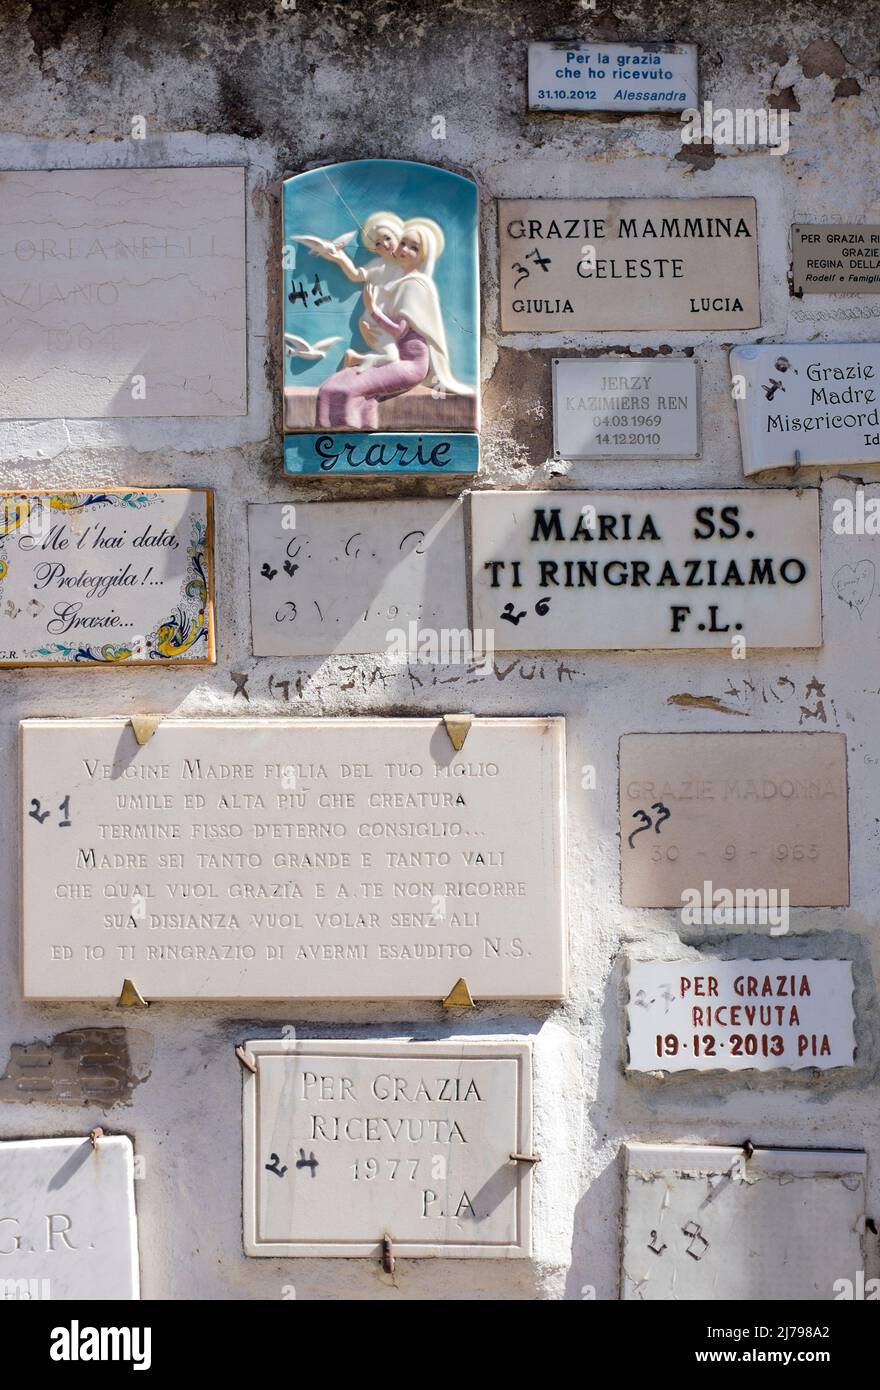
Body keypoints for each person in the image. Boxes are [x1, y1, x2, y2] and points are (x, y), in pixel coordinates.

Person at [315, 217, 474, 430]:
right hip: (399, 361)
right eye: (404, 243)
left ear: (423, 254)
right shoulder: (399, 280)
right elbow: (357, 275)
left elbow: (400, 331)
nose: (404, 249)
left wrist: (373, 310)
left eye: (413, 247)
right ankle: (357, 426)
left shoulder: (414, 285)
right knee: (333, 385)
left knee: (344, 388)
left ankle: (340, 434)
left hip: (410, 366)